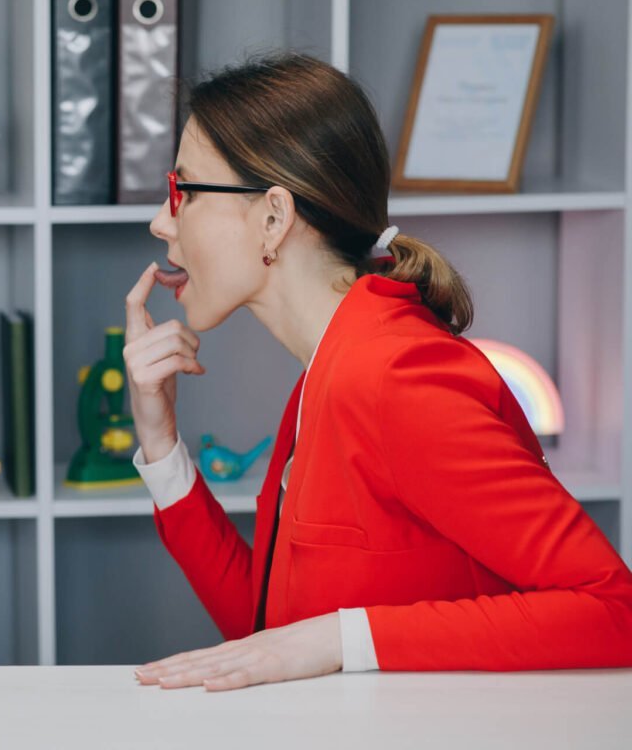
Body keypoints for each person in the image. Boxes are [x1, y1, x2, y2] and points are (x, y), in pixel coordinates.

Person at [122, 53, 632, 691]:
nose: (160, 222)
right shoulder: (329, 368)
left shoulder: (397, 376)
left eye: (183, 192)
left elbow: (616, 610)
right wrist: (161, 441)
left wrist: (342, 636)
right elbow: (268, 636)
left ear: (274, 219)